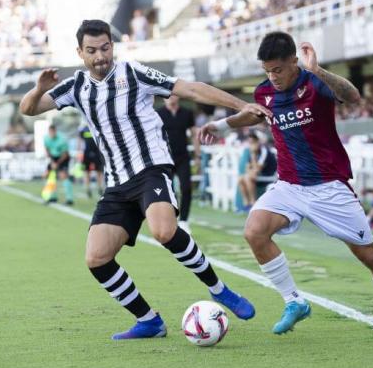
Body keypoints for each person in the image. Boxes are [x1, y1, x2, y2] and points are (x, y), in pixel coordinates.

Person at [20, 19, 270, 340]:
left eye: (105, 48)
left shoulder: (133, 73)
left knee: (164, 231)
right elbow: (28, 109)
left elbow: (190, 88)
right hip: (117, 183)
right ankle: (149, 320)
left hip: (151, 168)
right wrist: (40, 87)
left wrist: (241, 103)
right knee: (97, 258)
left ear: (113, 45)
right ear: (80, 52)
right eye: (92, 50)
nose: (100, 57)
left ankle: (219, 290)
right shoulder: (75, 86)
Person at [200, 32, 373, 336]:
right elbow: (256, 116)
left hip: (329, 186)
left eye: (278, 69)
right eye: (267, 70)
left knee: (369, 255)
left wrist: (318, 71)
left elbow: (354, 96)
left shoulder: (315, 84)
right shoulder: (265, 92)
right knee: (254, 232)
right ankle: (294, 302)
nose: (273, 77)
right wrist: (220, 125)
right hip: (289, 186)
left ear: (294, 61)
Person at [155, 94, 200, 233]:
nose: (170, 98)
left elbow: (194, 134)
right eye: (167, 96)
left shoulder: (187, 113)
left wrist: (198, 155)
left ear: (178, 97)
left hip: (183, 157)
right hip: (165, 157)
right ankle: (171, 219)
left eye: (173, 95)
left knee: (186, 188)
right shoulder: (158, 113)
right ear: (163, 98)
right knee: (169, 191)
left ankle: (184, 220)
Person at [238, 131, 277, 211]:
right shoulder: (252, 152)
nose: (251, 144)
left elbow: (257, 169)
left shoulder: (264, 151)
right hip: (259, 175)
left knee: (248, 178)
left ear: (258, 141)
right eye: (250, 142)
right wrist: (253, 155)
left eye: (253, 142)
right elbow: (247, 168)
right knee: (241, 178)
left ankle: (253, 203)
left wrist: (253, 155)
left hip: (269, 176)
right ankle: (246, 204)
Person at [43, 124, 73, 205]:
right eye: (50, 132)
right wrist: (52, 162)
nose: (51, 134)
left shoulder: (62, 139)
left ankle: (69, 199)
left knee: (63, 176)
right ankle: (52, 197)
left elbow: (65, 154)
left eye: (53, 132)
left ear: (55, 131)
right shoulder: (46, 138)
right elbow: (47, 149)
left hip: (63, 158)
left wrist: (57, 163)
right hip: (53, 158)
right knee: (49, 175)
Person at [79, 124, 104, 198]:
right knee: (87, 172)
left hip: (97, 153)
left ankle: (100, 189)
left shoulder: (96, 126)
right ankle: (88, 190)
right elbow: (80, 140)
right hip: (86, 153)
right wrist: (79, 151)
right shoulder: (83, 129)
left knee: (99, 171)